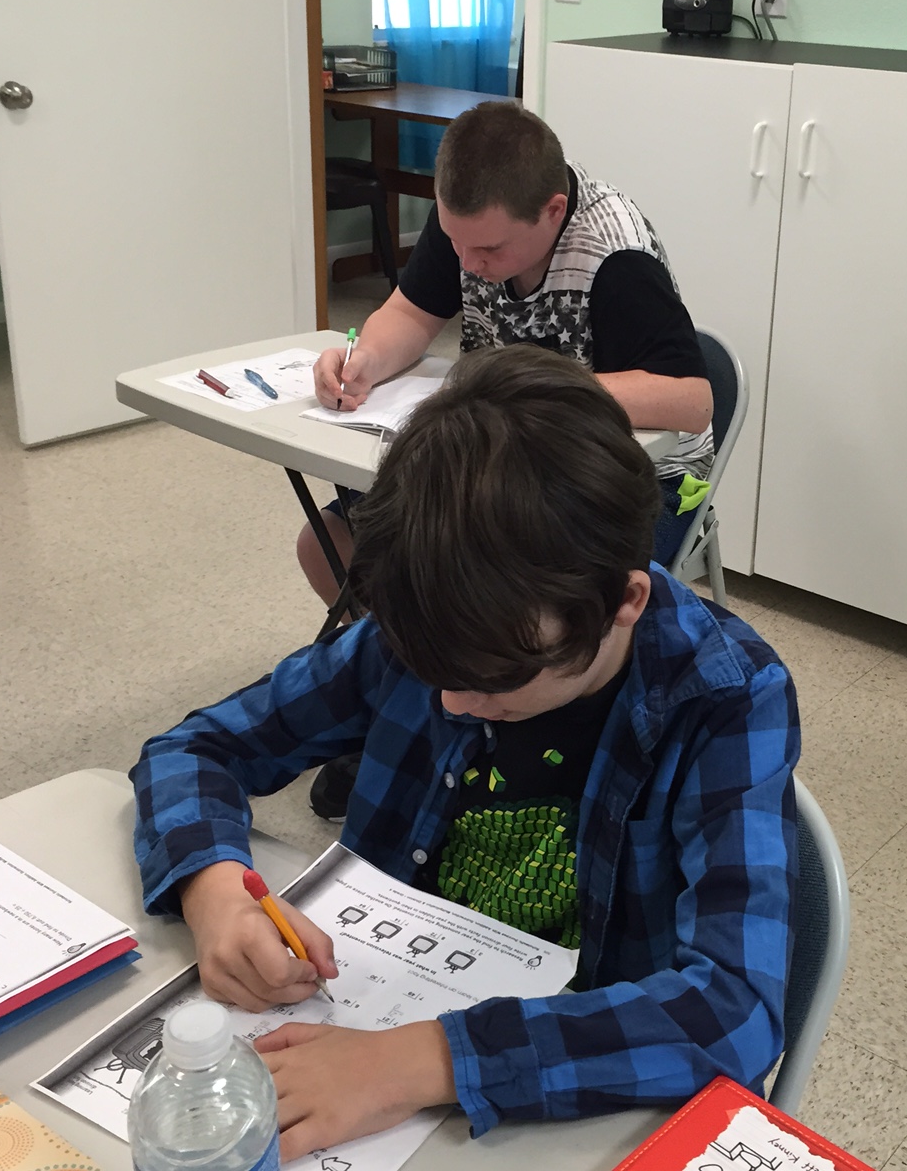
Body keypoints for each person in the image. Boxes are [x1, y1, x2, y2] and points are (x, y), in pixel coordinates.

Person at [133, 345, 799, 1164]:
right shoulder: (438, 622)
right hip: (390, 1019)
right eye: (431, 671)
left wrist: (420, 1062)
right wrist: (213, 892)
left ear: (623, 602)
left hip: (568, 1087)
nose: (451, 703)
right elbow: (195, 747)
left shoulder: (725, 699)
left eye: (491, 679)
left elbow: (734, 1009)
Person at [298, 100, 715, 609]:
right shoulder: (470, 225)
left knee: (510, 593)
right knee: (328, 545)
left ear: (553, 211)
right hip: (502, 456)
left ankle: (473, 675)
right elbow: (410, 315)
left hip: (634, 475)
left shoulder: (615, 257)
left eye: (490, 250)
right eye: (455, 242)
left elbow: (691, 401)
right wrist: (364, 360)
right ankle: (420, 674)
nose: (469, 262)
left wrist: (521, 388)